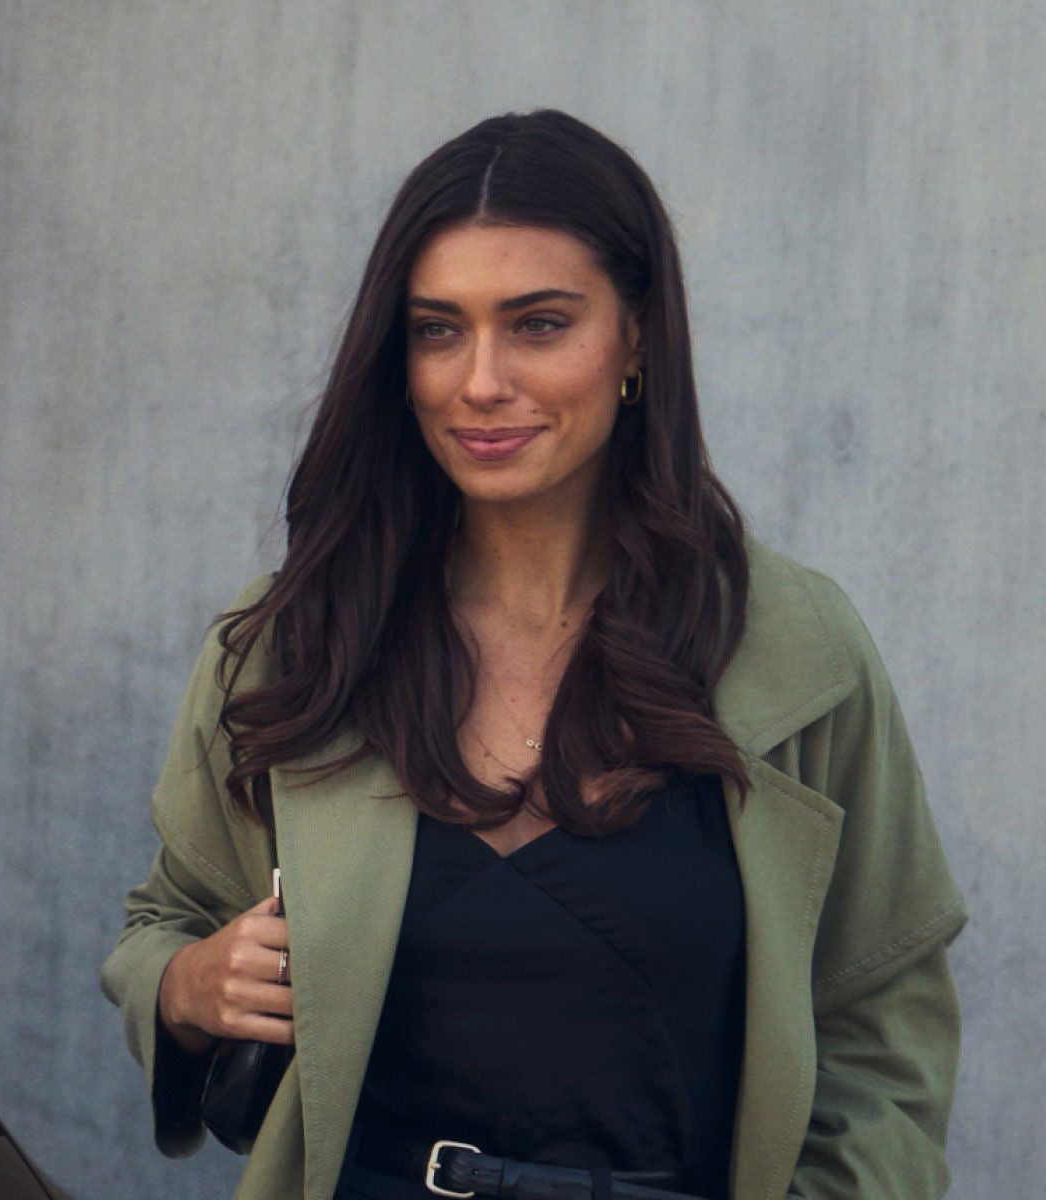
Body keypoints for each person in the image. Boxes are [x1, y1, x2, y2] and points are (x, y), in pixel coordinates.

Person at [101, 111, 966, 1200]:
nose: (481, 381)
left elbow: (880, 1027)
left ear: (637, 337)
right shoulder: (296, 644)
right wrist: (181, 987)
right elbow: (165, 922)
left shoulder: (797, 649)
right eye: (438, 329)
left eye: (539, 325)